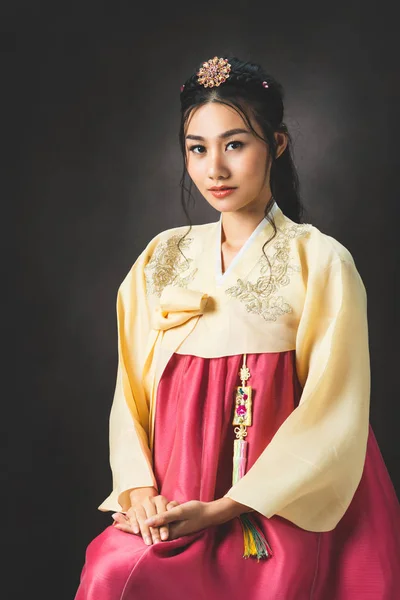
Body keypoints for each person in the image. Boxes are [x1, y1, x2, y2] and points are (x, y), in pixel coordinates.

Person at [74, 55, 400, 600]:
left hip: (275, 506)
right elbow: (128, 392)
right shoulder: (161, 256)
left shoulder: (319, 261)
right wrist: (140, 493)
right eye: (197, 149)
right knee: (112, 573)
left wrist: (227, 508)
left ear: (276, 144)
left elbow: (333, 411)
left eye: (235, 144)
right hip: (174, 501)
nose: (214, 170)